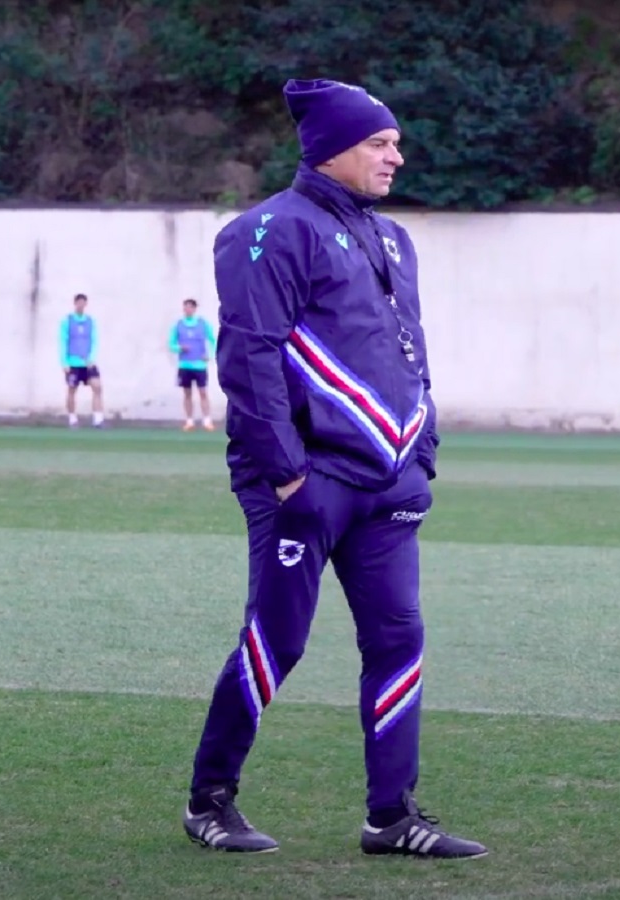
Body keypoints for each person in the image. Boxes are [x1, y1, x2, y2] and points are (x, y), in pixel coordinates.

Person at [181, 78, 486, 860]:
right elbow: (247, 360)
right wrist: (287, 478)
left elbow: (411, 353)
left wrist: (422, 457)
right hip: (305, 485)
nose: (398, 157)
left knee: (400, 639)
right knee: (278, 640)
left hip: (388, 486)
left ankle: (393, 816)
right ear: (336, 148)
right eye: (383, 144)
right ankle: (209, 800)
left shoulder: (393, 240)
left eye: (395, 143)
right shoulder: (267, 231)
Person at [170, 298, 217, 431]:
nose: (187, 310)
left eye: (190, 307)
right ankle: (189, 421)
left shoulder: (203, 324)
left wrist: (209, 355)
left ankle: (207, 420)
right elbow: (171, 344)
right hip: (185, 365)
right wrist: (179, 348)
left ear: (194, 309)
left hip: (200, 366)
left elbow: (213, 340)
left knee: (203, 392)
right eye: (185, 307)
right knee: (187, 393)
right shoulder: (178, 325)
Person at [59, 293, 105, 428]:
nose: (81, 305)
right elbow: (63, 341)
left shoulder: (90, 321)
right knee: (72, 390)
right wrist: (64, 362)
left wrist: (91, 358)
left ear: (86, 304)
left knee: (97, 386)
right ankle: (72, 419)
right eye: (78, 302)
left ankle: (98, 419)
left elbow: (94, 340)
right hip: (73, 363)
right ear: (75, 304)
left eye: (83, 302)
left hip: (87, 363)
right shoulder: (67, 321)